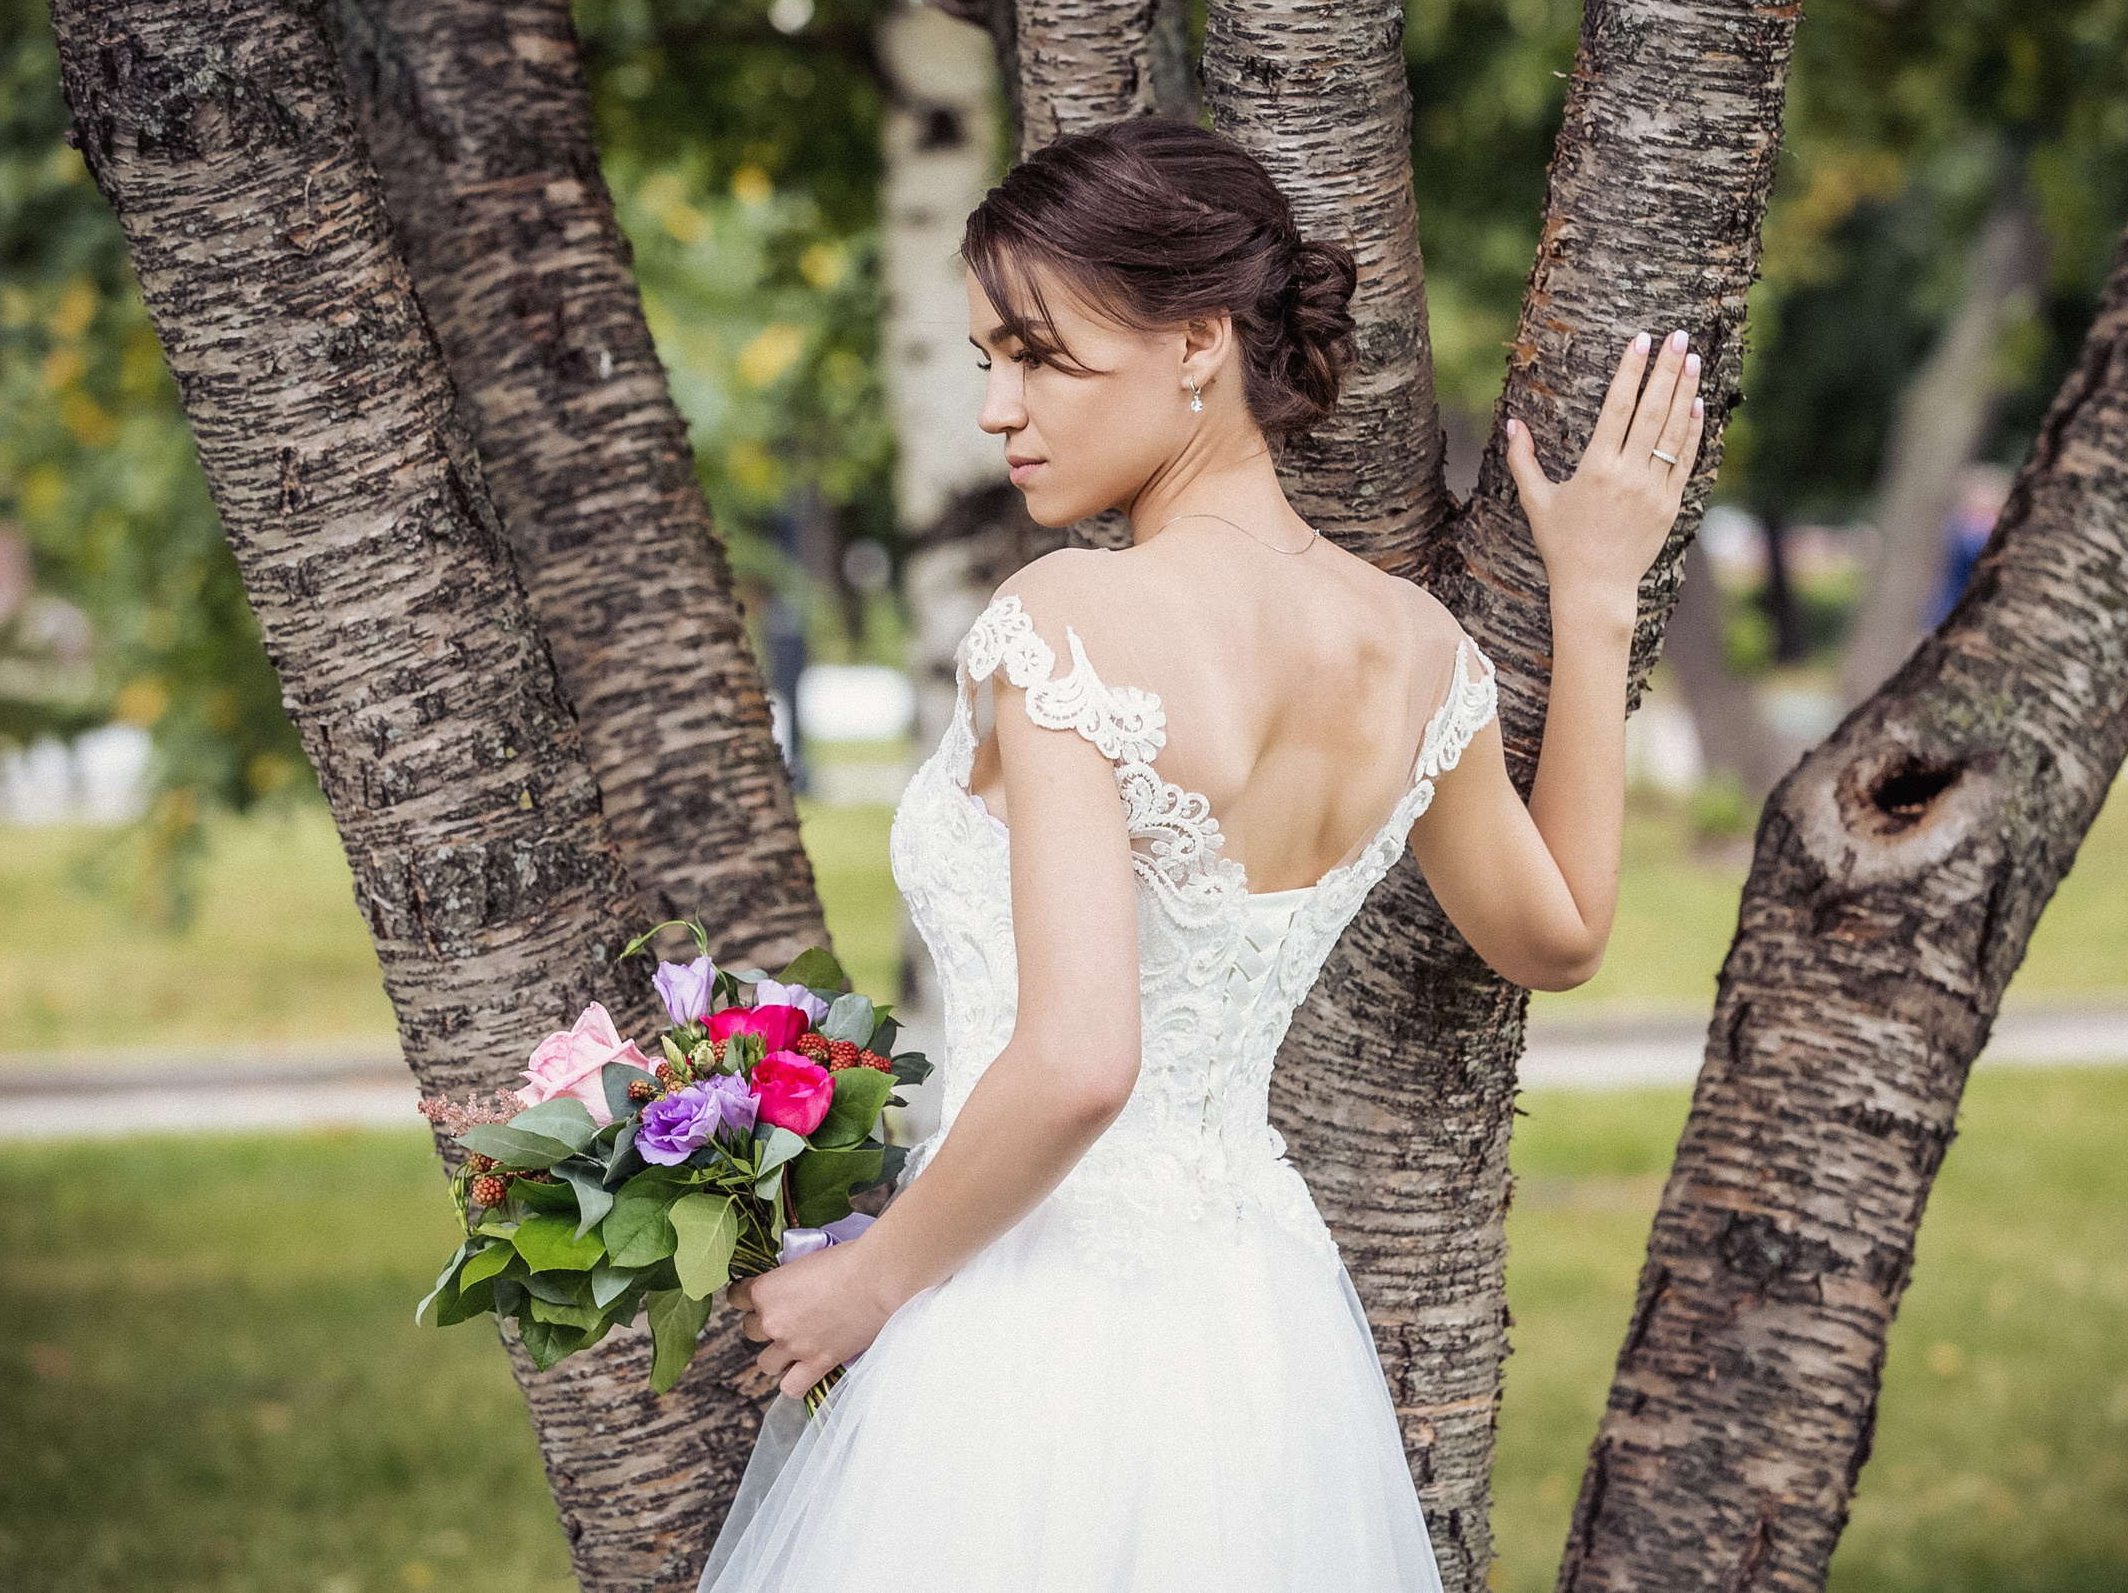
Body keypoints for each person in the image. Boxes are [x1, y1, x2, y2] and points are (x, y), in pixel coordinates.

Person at [699, 117, 1701, 1591]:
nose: (998, 405)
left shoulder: (1070, 623)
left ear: (1197, 345)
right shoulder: (1419, 652)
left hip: (1020, 1305)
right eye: (987, 357)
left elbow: (1081, 1059)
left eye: (1041, 356)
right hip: (1258, 1329)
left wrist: (866, 1283)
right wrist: (1595, 598)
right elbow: (1557, 937)